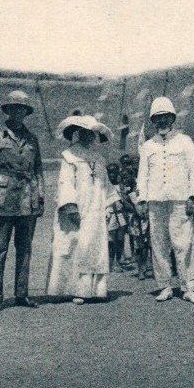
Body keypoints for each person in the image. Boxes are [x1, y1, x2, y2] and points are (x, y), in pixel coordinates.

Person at [0, 90, 46, 312]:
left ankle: (21, 294)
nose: (18, 112)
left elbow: (38, 170)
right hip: (2, 199)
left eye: (22, 109)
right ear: (7, 111)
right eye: (14, 108)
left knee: (25, 249)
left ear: (26, 112)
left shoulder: (32, 139)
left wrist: (40, 196)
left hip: (27, 199)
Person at [136, 96, 194, 303]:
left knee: (183, 243)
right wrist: (142, 200)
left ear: (172, 118)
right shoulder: (148, 146)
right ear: (153, 122)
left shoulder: (185, 141)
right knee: (159, 244)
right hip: (156, 201)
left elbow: (193, 170)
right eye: (157, 118)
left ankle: (187, 287)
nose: (162, 122)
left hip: (180, 200)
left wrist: (192, 195)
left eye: (166, 117)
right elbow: (143, 174)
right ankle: (164, 286)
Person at [46, 115, 119, 304]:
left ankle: (95, 291)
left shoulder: (99, 158)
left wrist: (110, 205)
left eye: (92, 134)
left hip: (96, 210)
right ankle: (73, 290)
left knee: (94, 248)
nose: (89, 137)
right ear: (78, 134)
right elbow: (66, 183)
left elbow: (106, 185)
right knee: (73, 246)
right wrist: (70, 206)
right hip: (77, 210)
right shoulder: (69, 156)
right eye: (85, 133)